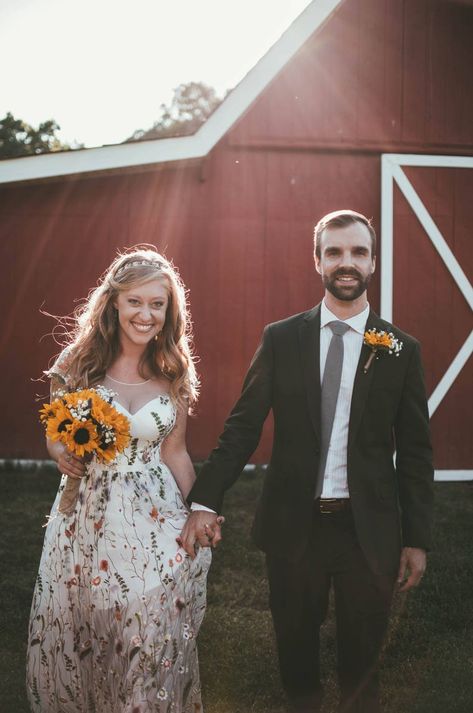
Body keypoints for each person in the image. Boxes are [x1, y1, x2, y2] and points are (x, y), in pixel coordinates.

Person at [181, 210, 434, 713]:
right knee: (296, 658)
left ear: (373, 262)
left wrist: (416, 539)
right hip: (294, 525)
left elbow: (416, 451)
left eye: (358, 252)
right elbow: (243, 425)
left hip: (369, 531)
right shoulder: (282, 338)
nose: (347, 263)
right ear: (316, 260)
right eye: (334, 252)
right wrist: (205, 498)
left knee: (362, 664)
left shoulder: (401, 349)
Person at [26, 248, 214, 713]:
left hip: (154, 515)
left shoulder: (173, 369)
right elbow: (55, 432)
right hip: (86, 517)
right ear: (113, 302)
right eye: (135, 302)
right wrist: (60, 454)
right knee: (88, 627)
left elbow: (175, 451)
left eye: (157, 304)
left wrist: (200, 509)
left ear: (170, 311)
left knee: (148, 630)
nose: (145, 315)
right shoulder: (77, 363)